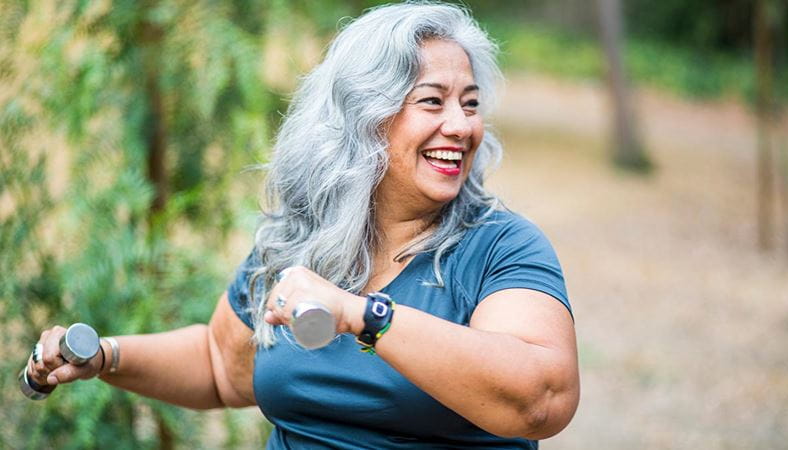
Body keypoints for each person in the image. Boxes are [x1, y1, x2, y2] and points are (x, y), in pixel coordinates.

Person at [27, 2, 579, 448]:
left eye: (470, 104)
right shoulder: (302, 237)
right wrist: (104, 356)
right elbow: (221, 365)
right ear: (364, 117)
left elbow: (541, 399)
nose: (461, 126)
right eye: (432, 102)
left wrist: (364, 316)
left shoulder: (501, 247)